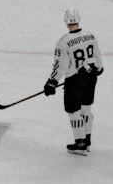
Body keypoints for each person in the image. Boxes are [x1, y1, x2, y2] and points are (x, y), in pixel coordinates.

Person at [43, 8, 104, 156]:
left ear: (66, 22)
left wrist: (52, 82)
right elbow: (97, 53)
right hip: (91, 76)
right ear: (79, 19)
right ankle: (87, 140)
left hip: (74, 81)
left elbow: (61, 66)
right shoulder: (90, 35)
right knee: (86, 108)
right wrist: (100, 67)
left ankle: (80, 143)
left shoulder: (63, 42)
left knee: (73, 111)